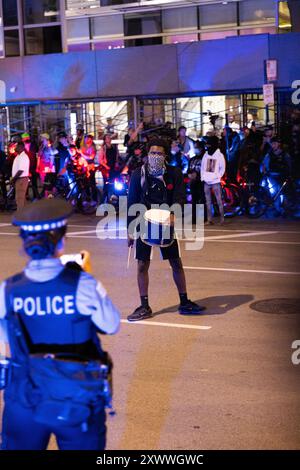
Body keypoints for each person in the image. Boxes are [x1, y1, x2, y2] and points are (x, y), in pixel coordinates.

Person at [0, 198, 120, 450]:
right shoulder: (82, 284)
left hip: (24, 398)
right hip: (76, 397)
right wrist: (85, 276)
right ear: (61, 241)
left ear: (24, 244)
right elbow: (110, 325)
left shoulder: (8, 290)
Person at [127, 138, 205, 322]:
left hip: (165, 223)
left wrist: (173, 214)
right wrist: (130, 230)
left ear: (165, 156)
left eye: (159, 153)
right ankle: (144, 305)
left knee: (176, 263)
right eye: (152, 153)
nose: (155, 156)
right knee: (141, 265)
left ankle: (184, 302)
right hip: (143, 222)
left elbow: (179, 197)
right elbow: (131, 202)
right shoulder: (138, 174)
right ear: (147, 155)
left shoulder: (174, 173)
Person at [201, 136, 226, 225]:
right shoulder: (206, 154)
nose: (208, 146)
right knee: (208, 201)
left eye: (209, 144)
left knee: (219, 200)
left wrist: (217, 176)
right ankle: (209, 219)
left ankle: (222, 219)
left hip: (215, 182)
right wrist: (203, 177)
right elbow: (202, 167)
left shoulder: (219, 155)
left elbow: (222, 168)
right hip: (206, 182)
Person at [188, 141, 206, 224]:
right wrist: (190, 174)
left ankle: (202, 217)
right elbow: (189, 169)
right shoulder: (192, 159)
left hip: (202, 182)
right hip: (193, 182)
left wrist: (198, 175)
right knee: (194, 200)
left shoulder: (205, 158)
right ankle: (194, 218)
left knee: (202, 200)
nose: (195, 149)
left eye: (197, 147)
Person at [36, 133, 57, 198]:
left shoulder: (49, 146)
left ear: (45, 138)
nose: (41, 138)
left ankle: (50, 195)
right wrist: (37, 166)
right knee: (44, 181)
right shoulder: (41, 146)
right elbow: (39, 156)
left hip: (47, 166)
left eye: (42, 137)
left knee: (48, 181)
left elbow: (52, 156)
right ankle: (46, 195)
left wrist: (50, 167)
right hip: (42, 166)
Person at [12, 142, 30, 210]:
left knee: (19, 198)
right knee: (21, 198)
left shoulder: (23, 157)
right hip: (19, 179)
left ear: (21, 147)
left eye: (16, 146)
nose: (15, 148)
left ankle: (20, 215)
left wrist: (13, 179)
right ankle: (25, 214)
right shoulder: (18, 156)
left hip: (21, 179)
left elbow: (21, 170)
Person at [22, 133, 39, 200]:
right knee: (26, 183)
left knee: (34, 182)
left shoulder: (34, 145)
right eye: (24, 138)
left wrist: (37, 167)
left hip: (33, 167)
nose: (25, 139)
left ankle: (35, 195)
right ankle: (26, 196)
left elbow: (37, 156)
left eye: (26, 138)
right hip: (25, 168)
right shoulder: (22, 147)